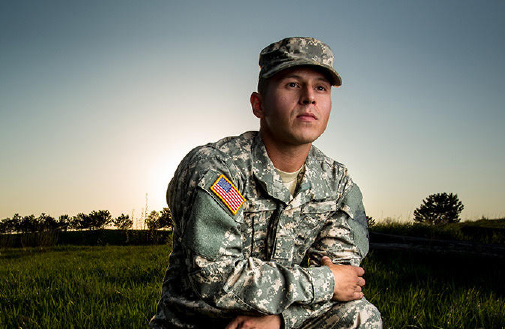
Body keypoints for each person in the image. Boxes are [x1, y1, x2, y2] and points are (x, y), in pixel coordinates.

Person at [149, 37, 382, 329]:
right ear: (259, 105)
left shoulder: (336, 182)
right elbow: (218, 278)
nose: (309, 97)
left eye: (320, 87)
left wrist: (282, 321)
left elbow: (346, 281)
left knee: (361, 316)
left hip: (276, 323)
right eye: (292, 84)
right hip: (204, 324)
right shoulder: (218, 168)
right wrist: (323, 281)